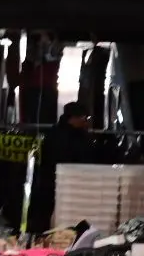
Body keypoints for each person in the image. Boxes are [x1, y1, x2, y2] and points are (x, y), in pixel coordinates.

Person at [25, 100, 98, 234]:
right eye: (85, 118)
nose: (86, 122)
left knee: (46, 220)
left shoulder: (52, 134)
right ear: (75, 118)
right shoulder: (77, 138)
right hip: (68, 186)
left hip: (48, 185)